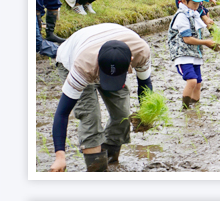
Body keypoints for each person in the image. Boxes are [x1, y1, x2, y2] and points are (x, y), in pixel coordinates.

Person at [50, 23, 153, 172]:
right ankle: (97, 171)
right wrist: (60, 156)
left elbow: (144, 83)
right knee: (90, 117)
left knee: (122, 115)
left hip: (103, 46)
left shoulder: (141, 52)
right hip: (73, 58)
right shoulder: (82, 67)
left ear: (130, 60)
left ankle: (110, 160)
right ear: (98, 58)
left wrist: (146, 113)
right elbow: (62, 112)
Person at [168, 0, 218, 109]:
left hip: (194, 54)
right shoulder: (182, 16)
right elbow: (187, 39)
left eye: (199, 3)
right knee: (192, 81)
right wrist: (206, 43)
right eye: (194, 3)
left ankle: (195, 107)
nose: (197, 6)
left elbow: (200, 29)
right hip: (183, 54)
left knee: (198, 83)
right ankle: (185, 108)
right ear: (184, 1)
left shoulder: (193, 14)